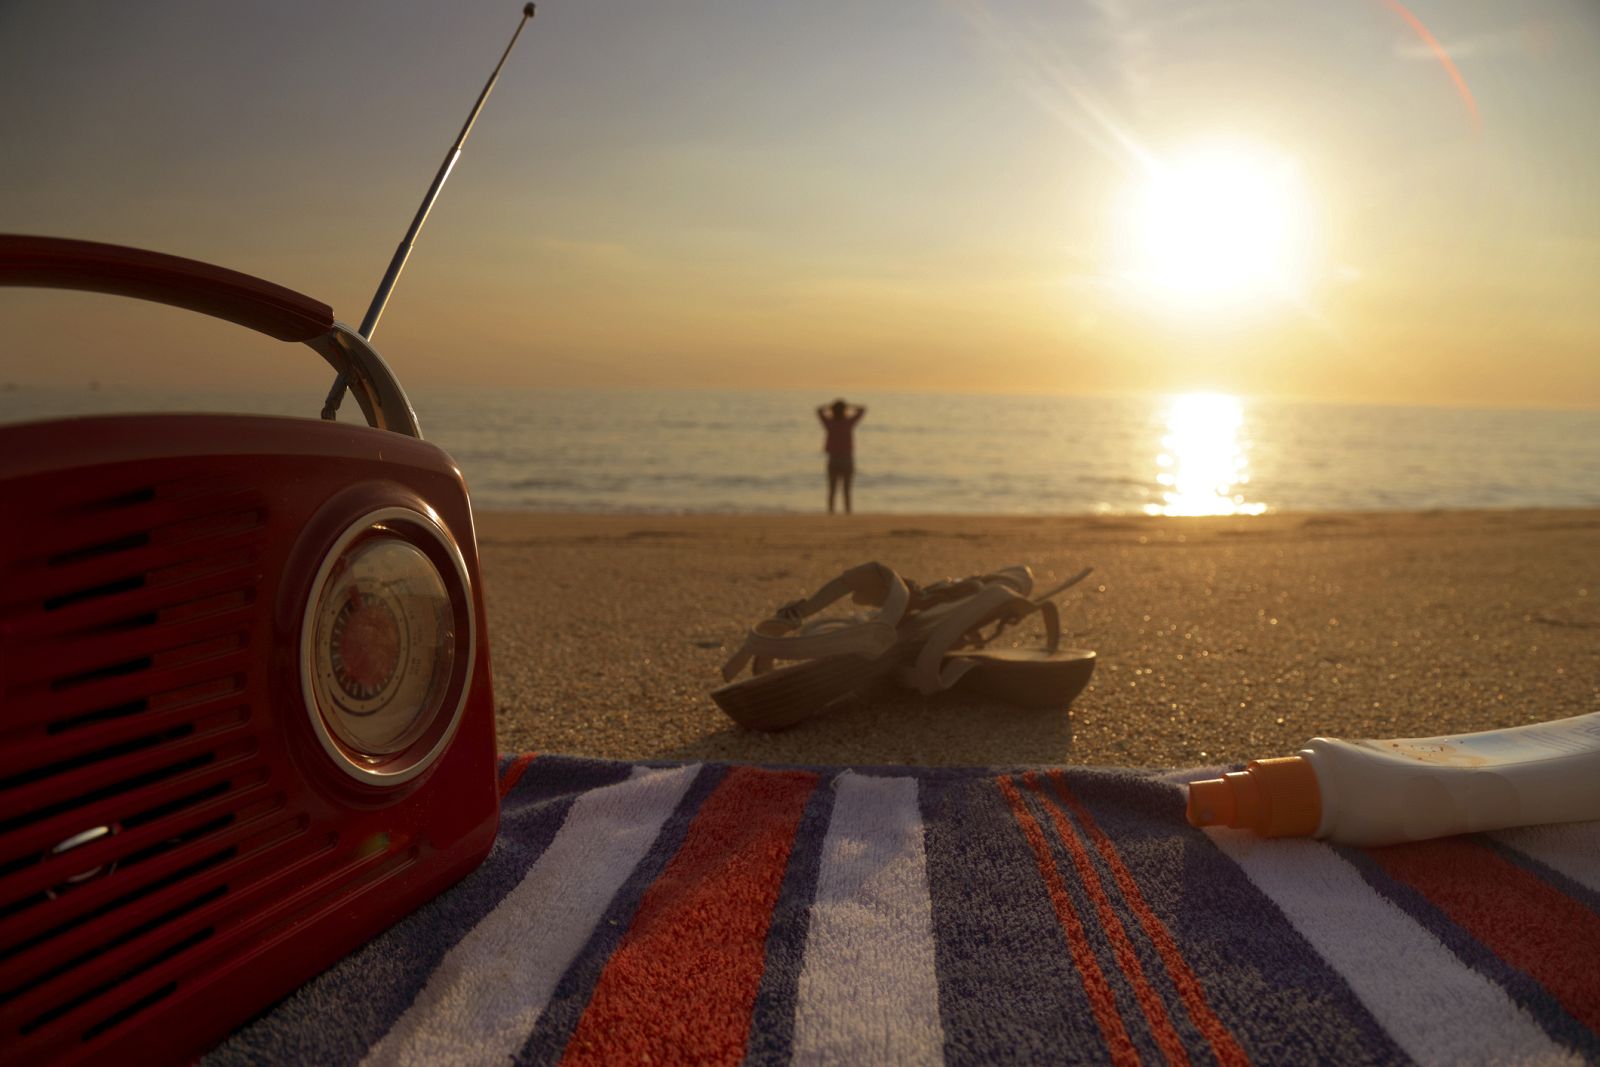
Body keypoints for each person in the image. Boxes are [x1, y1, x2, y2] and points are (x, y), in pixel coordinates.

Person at [816, 398, 865, 514]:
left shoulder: (830, 424)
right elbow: (862, 410)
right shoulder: (848, 423)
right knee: (846, 490)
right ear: (844, 410)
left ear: (833, 411)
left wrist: (829, 406)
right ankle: (848, 512)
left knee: (832, 489)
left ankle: (831, 511)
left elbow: (818, 411)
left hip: (833, 459)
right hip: (847, 459)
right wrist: (849, 406)